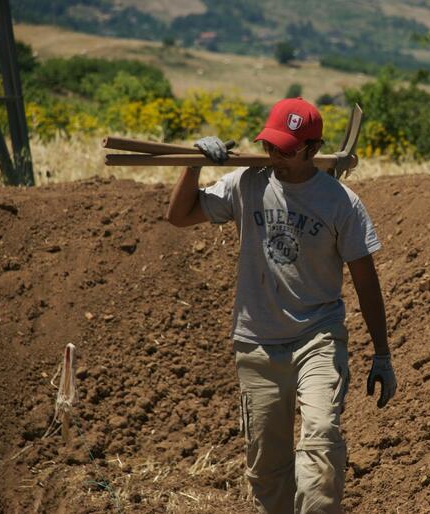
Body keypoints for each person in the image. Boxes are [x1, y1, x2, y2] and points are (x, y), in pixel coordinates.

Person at [165, 97, 397, 514]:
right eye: (270, 146)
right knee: (267, 470)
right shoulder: (247, 184)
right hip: (256, 345)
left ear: (312, 149)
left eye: (286, 150)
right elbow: (179, 217)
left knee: (322, 438)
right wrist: (194, 162)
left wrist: (382, 354)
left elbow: (367, 282)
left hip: (317, 340)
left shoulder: (340, 202)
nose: (275, 156)